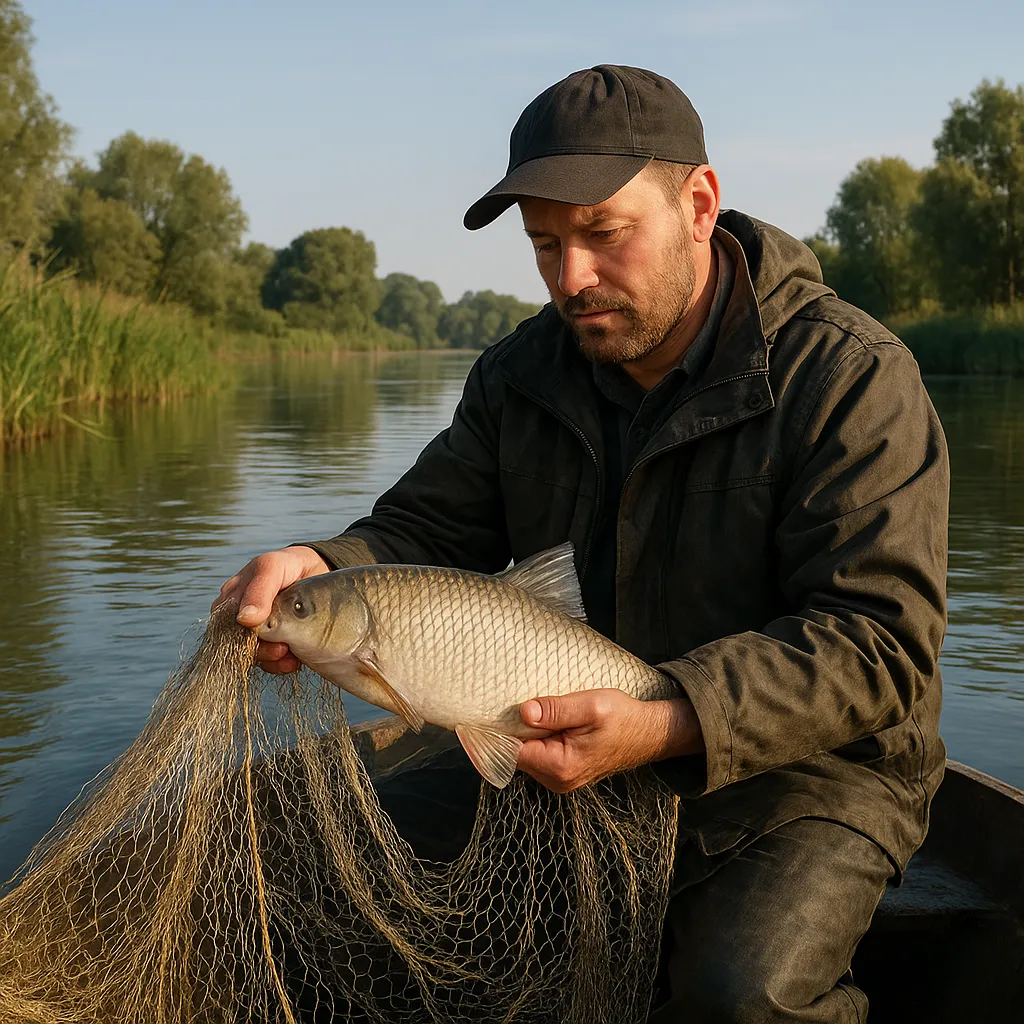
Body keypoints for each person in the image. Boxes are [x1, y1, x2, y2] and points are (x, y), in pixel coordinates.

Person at [218, 65, 949, 1022]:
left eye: (604, 235)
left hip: (804, 773)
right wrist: (324, 569)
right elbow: (417, 528)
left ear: (699, 204)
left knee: (741, 994)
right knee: (322, 874)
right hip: (553, 744)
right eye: (545, 245)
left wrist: (668, 720)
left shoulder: (851, 378)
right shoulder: (520, 375)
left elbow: (879, 646)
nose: (573, 279)